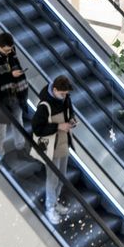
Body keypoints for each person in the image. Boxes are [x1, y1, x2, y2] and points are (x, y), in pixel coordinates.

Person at [32, 75, 76, 224]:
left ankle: (54, 202)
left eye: (66, 94)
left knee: (61, 177)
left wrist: (72, 120)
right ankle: (49, 207)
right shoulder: (45, 105)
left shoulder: (65, 99)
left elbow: (70, 111)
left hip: (64, 143)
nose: (65, 97)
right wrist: (58, 126)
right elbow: (37, 129)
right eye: (62, 94)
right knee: (52, 179)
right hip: (52, 147)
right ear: (55, 90)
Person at [0, 33, 29, 161]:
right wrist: (11, 75)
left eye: (11, 49)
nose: (10, 52)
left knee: (18, 123)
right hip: (0, 99)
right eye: (7, 49)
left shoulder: (12, 55)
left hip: (16, 95)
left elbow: (17, 69)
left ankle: (20, 149)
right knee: (0, 128)